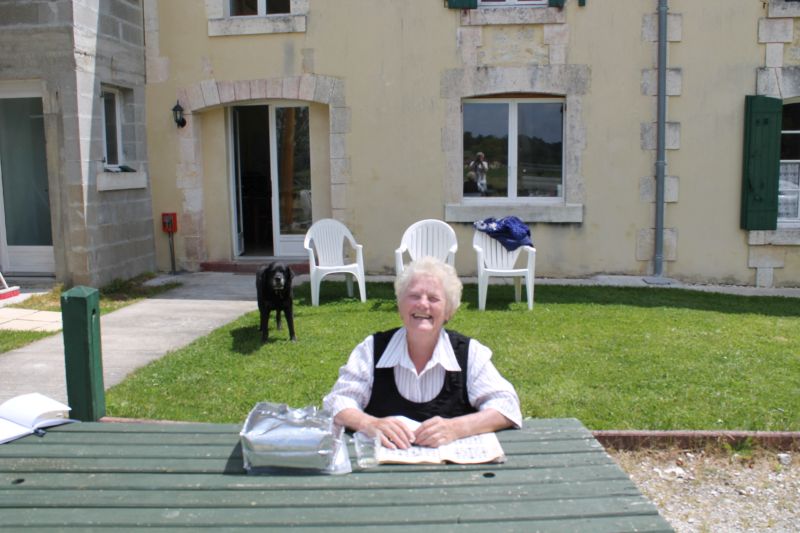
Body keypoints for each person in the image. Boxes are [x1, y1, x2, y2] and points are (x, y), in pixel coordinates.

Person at [323, 256, 521, 450]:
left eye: (433, 298)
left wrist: (457, 427)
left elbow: (506, 405)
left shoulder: (469, 353)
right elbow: (338, 401)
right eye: (414, 296)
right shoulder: (372, 349)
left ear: (448, 311)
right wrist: (369, 423)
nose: (423, 304)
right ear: (400, 305)